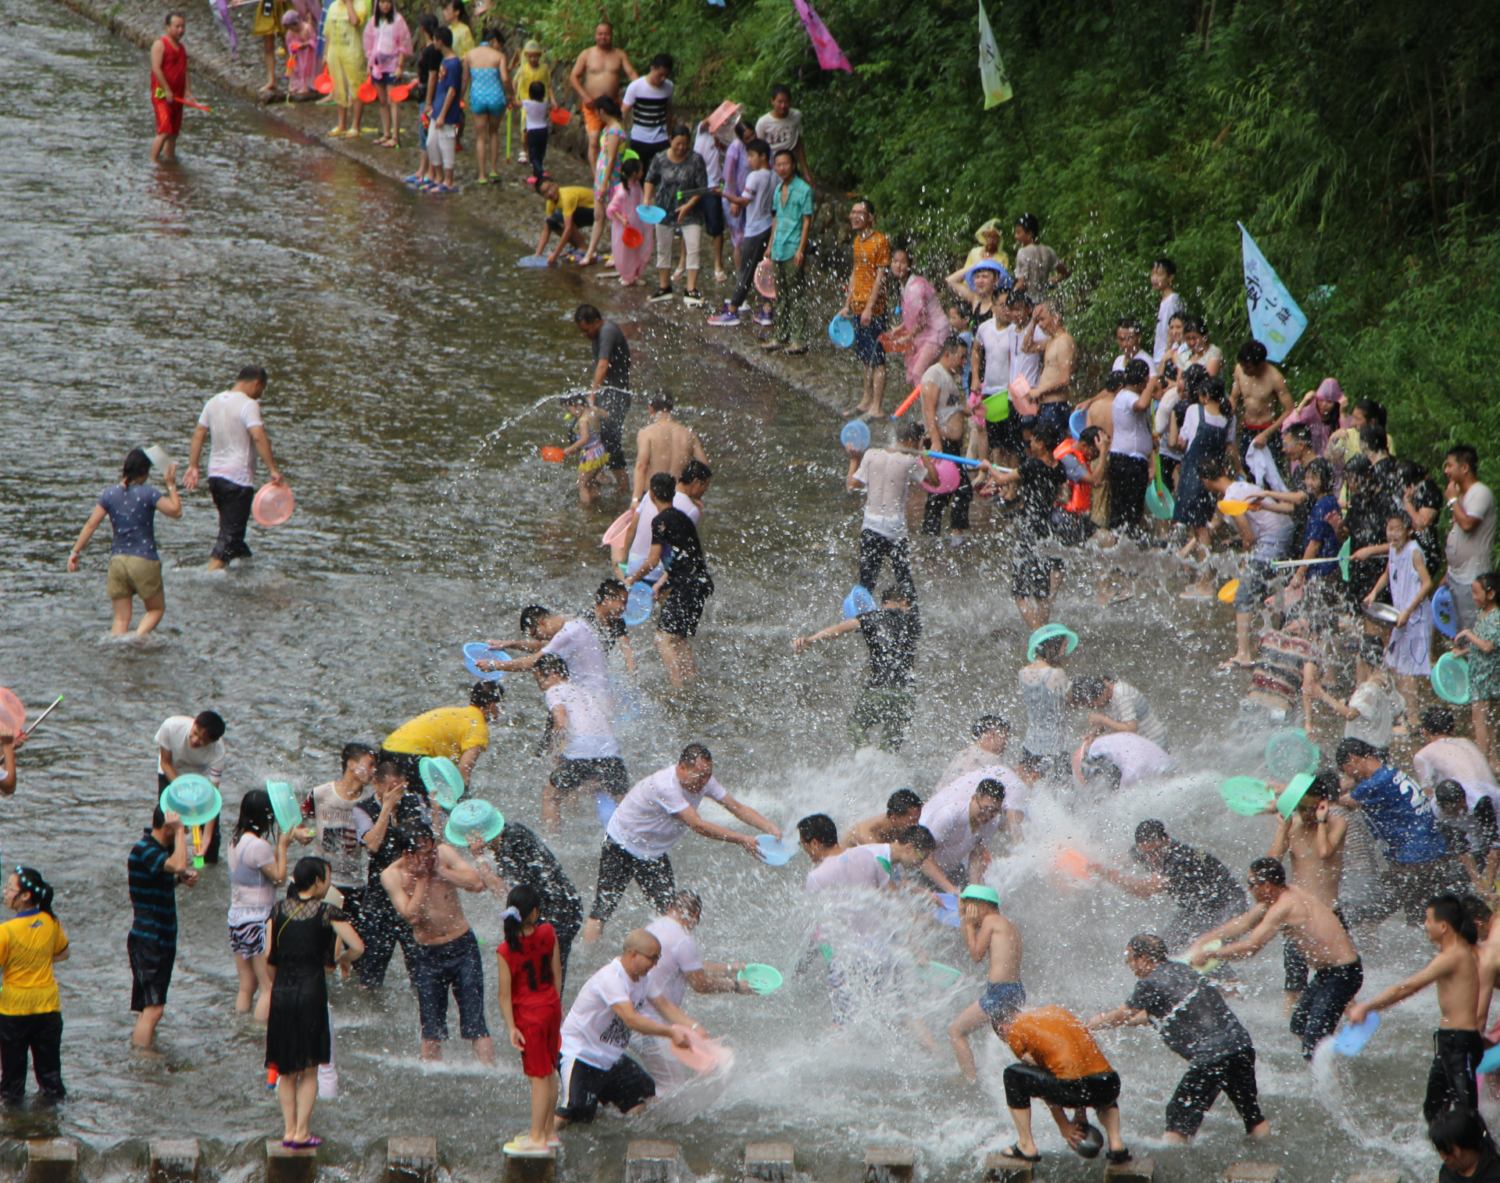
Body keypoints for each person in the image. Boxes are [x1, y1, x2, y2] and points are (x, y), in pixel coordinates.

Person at [582, 745, 779, 942]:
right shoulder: (665, 785)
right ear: (682, 767)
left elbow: (736, 807)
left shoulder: (704, 780)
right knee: (602, 909)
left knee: (670, 914)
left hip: (653, 853)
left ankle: (668, 957)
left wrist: (768, 826)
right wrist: (742, 839)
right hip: (621, 843)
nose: (703, 783)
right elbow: (697, 825)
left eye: (708, 776)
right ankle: (588, 961)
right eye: (699, 776)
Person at [1088, 933, 1268, 1143]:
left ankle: (1173, 1168)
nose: (1129, 965)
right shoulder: (1184, 970)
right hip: (1240, 1045)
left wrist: (1090, 1026)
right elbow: (1161, 1012)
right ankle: (1268, 1150)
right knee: (1251, 1114)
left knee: (1178, 1117)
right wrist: (1127, 1021)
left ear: (1143, 959)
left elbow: (1121, 1015)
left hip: (1211, 1055)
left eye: (1129, 959)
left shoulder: (1149, 983)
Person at [1186, 858, 1361, 1059]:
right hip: (1329, 973)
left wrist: (1210, 954)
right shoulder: (1284, 894)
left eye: (1251, 883)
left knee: (1313, 1046)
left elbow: (1250, 948)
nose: (1249, 889)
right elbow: (1244, 923)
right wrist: (1205, 939)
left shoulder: (1284, 907)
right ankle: (1331, 1059)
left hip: (1342, 974)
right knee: (1299, 1026)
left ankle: (1333, 1085)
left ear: (1266, 886)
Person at [1347, 894, 1482, 1120]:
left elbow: (1407, 987)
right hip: (1450, 1041)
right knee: (1433, 1110)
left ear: (1443, 925)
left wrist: (1367, 1006)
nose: (1424, 925)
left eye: (1427, 919)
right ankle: (1449, 1153)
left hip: (1459, 1042)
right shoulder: (1455, 954)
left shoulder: (1453, 955)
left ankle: (1485, 1155)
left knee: (1466, 1115)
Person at [266, 857, 364, 1148]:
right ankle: (302, 1133)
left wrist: (280, 983)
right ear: (318, 881)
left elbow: (270, 957)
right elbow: (358, 946)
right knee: (310, 1069)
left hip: (282, 992)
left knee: (285, 1069)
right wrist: (343, 959)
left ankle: (288, 1130)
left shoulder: (277, 910)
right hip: (312, 991)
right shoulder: (327, 912)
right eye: (328, 878)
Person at [555, 929, 694, 1128]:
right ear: (633, 954)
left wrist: (694, 1028)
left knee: (643, 1094)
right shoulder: (611, 978)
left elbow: (664, 1006)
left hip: (610, 1057)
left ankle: (623, 1138)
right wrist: (671, 1033)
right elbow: (631, 1019)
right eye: (653, 958)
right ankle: (538, 1140)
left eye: (658, 958)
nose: (656, 964)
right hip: (580, 1053)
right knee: (573, 1111)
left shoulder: (644, 980)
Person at [382, 825, 496, 1064]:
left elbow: (477, 884)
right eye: (425, 853)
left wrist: (442, 870)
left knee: (476, 1023)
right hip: (427, 955)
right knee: (431, 1031)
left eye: (432, 849)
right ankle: (433, 1075)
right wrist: (423, 880)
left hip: (463, 947)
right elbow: (411, 916)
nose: (431, 856)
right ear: (407, 854)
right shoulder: (391, 875)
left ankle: (488, 1073)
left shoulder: (443, 855)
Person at [635, 891, 752, 1089]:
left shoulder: (654, 927)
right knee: (672, 1088)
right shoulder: (683, 940)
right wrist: (736, 986)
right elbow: (701, 984)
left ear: (671, 907)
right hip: (651, 1025)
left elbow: (689, 965)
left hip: (634, 1016)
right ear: (695, 916)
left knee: (667, 1081)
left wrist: (728, 969)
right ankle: (639, 1113)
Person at [1335, 737, 1455, 924]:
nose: (1349, 776)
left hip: (1414, 859)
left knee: (1375, 909)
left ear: (1353, 760)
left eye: (1346, 770)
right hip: (1432, 851)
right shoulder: (1389, 772)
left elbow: (1342, 801)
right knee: (1431, 915)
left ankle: (1349, 933)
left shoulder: (1373, 784)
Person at [991, 1004, 1129, 1165]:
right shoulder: (1057, 1012)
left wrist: (1064, 1125)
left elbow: (1045, 1075)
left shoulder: (1015, 1031)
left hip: (1072, 1087)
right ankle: (1116, 1143)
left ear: (1002, 1028)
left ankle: (1026, 1145)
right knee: (1098, 1073)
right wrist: (1080, 1115)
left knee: (1013, 1074)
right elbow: (1078, 1064)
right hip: (1110, 1085)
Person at [792, 585, 921, 752]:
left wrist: (809, 640)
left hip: (879, 691)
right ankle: (885, 764)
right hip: (906, 695)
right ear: (904, 601)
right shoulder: (912, 622)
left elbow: (839, 629)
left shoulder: (870, 617)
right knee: (890, 748)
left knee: (855, 722)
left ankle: (866, 755)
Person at [68, 448, 181, 637]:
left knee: (120, 619)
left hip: (117, 562)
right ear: (144, 473)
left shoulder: (109, 494)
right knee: (156, 609)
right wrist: (171, 485)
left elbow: (91, 524)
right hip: (144, 560)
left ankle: (119, 654)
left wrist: (75, 552)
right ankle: (138, 638)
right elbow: (176, 511)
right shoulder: (149, 493)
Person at [1090, 820, 1247, 952]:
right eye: (1147, 854)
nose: (1153, 858)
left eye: (1157, 851)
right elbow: (1118, 860)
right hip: (1196, 909)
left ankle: (1228, 984)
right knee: (1167, 949)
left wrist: (1105, 873)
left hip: (1228, 906)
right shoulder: (1145, 850)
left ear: (1167, 840)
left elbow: (1146, 890)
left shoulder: (1179, 859)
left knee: (1202, 949)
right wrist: (1092, 865)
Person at [185, 366, 285, 571]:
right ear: (257, 383)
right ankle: (209, 577)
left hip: (215, 479)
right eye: (262, 390)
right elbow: (258, 436)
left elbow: (198, 433)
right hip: (238, 481)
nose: (260, 395)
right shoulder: (249, 405)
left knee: (233, 535)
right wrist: (273, 469)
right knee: (229, 537)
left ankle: (244, 569)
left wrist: (193, 466)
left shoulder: (213, 402)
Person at [466, 814, 583, 986]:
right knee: (551, 972)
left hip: (557, 914)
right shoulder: (515, 830)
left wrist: (479, 858)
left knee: (544, 978)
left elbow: (502, 892)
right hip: (568, 905)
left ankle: (551, 1006)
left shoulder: (509, 847)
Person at [1199, 459, 1294, 666]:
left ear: (1205, 481)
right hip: (1286, 531)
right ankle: (1267, 641)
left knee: (1244, 593)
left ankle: (1243, 655)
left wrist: (1244, 567)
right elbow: (1215, 523)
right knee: (1267, 591)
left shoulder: (1231, 498)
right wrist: (1190, 545)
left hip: (1272, 539)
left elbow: (1248, 537)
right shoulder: (1239, 486)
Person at [623, 472, 716, 685]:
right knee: (678, 638)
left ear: (652, 493)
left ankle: (677, 690)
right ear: (673, 493)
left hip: (686, 585)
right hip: (700, 583)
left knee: (662, 639)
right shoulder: (684, 518)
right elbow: (687, 558)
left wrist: (631, 579)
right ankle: (691, 685)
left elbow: (652, 560)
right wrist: (662, 581)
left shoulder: (660, 521)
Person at [1267, 773, 1349, 1010]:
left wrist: (1322, 821)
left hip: (1329, 912)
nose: (1306, 814)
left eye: (1312, 808)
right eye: (1301, 808)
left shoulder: (1337, 823)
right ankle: (1288, 1028)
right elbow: (1272, 864)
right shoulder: (1293, 826)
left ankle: (1349, 1027)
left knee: (1341, 978)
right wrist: (1283, 830)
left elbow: (1325, 853)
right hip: (1297, 915)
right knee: (1294, 983)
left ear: (1324, 804)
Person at [494, 883, 563, 1155]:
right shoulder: (548, 932)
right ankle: (549, 1132)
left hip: (529, 1017)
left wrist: (512, 1027)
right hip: (550, 1008)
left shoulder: (505, 950)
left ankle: (536, 1138)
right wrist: (553, 1004)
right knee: (550, 1071)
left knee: (538, 1077)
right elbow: (557, 972)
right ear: (534, 913)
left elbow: (503, 995)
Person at [350, 761, 427, 989]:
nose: (397, 793)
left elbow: (431, 842)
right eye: (391, 787)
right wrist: (386, 808)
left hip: (411, 895)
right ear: (377, 783)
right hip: (379, 898)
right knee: (371, 970)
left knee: (421, 969)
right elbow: (372, 844)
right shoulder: (362, 809)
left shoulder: (415, 802)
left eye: (400, 788)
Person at [128, 805, 198, 1050]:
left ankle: (142, 1053)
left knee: (149, 1007)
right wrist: (180, 833)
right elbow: (179, 864)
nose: (186, 831)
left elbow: (171, 873)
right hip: (150, 940)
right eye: (182, 827)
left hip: (158, 938)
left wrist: (179, 880)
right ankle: (144, 1063)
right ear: (168, 826)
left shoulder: (157, 851)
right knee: (154, 1009)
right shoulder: (145, 849)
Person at [533, 655, 628, 831]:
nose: (541, 687)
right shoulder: (585, 691)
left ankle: (554, 844)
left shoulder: (554, 690)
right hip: (612, 753)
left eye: (541, 681)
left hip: (582, 753)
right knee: (622, 803)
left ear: (553, 676)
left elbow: (561, 722)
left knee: (550, 796)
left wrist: (554, 749)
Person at [227, 788, 298, 1020]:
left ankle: (240, 1029)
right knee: (269, 986)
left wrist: (283, 841)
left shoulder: (234, 841)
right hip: (257, 921)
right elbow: (278, 878)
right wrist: (284, 847)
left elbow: (262, 867)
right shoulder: (259, 846)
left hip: (237, 918)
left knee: (246, 986)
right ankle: (259, 1034)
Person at [0, 868, 68, 1102]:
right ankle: (53, 1129)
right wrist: (37, 958)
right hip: (49, 1008)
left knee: (12, 1084)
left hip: (14, 1011)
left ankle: (14, 1131)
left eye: (9, 888)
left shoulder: (6, 931)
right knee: (51, 1078)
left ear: (25, 895)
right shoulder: (50, 921)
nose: (5, 892)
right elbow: (64, 952)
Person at [846, 419, 936, 594]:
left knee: (866, 585)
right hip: (894, 529)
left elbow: (851, 485)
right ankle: (912, 617)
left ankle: (862, 618)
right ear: (911, 442)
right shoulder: (909, 461)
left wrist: (853, 460)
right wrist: (923, 453)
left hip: (871, 526)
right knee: (905, 581)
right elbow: (935, 480)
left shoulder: (871, 455)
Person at [302, 743, 378, 944]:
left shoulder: (370, 802)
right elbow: (299, 825)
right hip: (320, 883)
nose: (374, 771)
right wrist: (305, 833)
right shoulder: (320, 794)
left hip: (354, 883)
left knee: (358, 947)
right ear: (352, 764)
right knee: (317, 946)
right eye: (370, 765)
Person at [1365, 511, 1434, 727]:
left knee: (1409, 668)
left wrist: (1408, 611)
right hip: (1401, 615)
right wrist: (1374, 593)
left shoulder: (1414, 552)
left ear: (1408, 531)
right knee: (1395, 664)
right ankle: (1405, 713)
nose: (1392, 533)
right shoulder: (1394, 550)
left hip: (1416, 617)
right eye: (1390, 528)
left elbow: (1427, 583)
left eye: (1397, 528)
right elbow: (1387, 574)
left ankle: (1412, 720)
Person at [949, 885, 1023, 1084]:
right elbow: (972, 944)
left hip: (999, 992)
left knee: (957, 1031)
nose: (971, 914)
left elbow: (975, 955)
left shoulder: (990, 920)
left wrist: (969, 923)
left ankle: (970, 1080)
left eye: (971, 908)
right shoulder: (1008, 924)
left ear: (983, 907)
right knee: (1014, 1038)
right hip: (1015, 990)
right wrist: (964, 918)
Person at [482, 604, 615, 710]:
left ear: (542, 622)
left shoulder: (567, 634)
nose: (537, 639)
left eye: (535, 634)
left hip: (591, 699)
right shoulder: (576, 624)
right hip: (602, 696)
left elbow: (533, 662)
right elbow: (545, 645)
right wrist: (511, 644)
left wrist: (493, 665)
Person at [379, 683, 502, 788]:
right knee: (431, 802)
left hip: (388, 747)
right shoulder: (478, 725)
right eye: (500, 706)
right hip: (412, 753)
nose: (501, 711)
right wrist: (463, 798)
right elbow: (464, 768)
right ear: (492, 705)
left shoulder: (456, 712)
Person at [709, 138, 775, 327]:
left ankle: (733, 311)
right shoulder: (775, 177)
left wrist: (723, 195)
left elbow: (744, 201)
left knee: (745, 271)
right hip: (769, 228)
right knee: (765, 271)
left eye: (751, 156)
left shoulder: (754, 177)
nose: (749, 160)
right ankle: (767, 311)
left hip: (754, 230)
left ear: (763, 156)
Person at [642, 124, 709, 306]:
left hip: (690, 211)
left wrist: (690, 204)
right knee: (663, 248)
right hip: (663, 210)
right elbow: (650, 180)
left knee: (694, 248)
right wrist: (647, 198)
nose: (681, 148)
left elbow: (702, 187)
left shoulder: (696, 160)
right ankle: (664, 287)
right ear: (670, 140)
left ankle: (691, 290)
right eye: (678, 144)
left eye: (685, 144)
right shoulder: (660, 158)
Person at [918, 776, 1017, 892]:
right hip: (922, 870)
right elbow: (922, 856)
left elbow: (976, 855)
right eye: (985, 808)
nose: (988, 815)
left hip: (952, 869)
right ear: (974, 799)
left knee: (977, 900)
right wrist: (952, 890)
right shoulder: (949, 816)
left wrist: (975, 890)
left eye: (994, 811)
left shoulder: (993, 822)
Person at [840, 199, 891, 418]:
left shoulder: (880, 241)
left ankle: (877, 407)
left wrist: (870, 307)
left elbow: (880, 278)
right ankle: (866, 399)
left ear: (871, 217)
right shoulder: (857, 241)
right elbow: (855, 273)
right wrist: (847, 304)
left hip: (875, 309)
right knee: (864, 357)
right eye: (852, 211)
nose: (854, 215)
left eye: (860, 212)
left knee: (877, 358)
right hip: (858, 307)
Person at [154, 710, 227, 861]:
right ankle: (167, 861)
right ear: (194, 722)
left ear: (212, 741)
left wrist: (206, 840)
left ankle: (206, 865)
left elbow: (212, 797)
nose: (195, 740)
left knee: (212, 835)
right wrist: (183, 791)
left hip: (200, 778)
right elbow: (165, 762)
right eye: (195, 732)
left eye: (202, 740)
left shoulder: (218, 751)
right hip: (171, 771)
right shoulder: (171, 726)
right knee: (168, 822)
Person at [574, 306, 632, 494]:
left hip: (616, 398)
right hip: (605, 397)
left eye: (586, 329)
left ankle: (624, 487)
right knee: (582, 431)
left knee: (610, 439)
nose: (585, 334)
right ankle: (597, 476)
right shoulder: (598, 334)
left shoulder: (607, 332)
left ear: (597, 322)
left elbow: (603, 365)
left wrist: (592, 396)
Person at [568, 21, 636, 171]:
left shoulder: (619, 54)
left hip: (612, 105)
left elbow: (631, 73)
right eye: (600, 34)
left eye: (606, 34)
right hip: (592, 105)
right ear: (595, 35)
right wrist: (585, 96)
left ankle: (613, 173)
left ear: (612, 36)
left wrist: (641, 88)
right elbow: (574, 77)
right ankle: (596, 177)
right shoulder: (587, 54)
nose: (603, 37)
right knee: (593, 141)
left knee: (616, 140)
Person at [764, 149, 813, 355]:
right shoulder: (778, 190)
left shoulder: (803, 189)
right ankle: (781, 336)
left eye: (785, 164)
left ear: (794, 165)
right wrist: (769, 244)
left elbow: (806, 220)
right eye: (778, 165)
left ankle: (799, 339)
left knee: (796, 294)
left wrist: (801, 250)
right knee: (780, 295)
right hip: (778, 248)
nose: (782, 168)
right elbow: (777, 218)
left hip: (793, 248)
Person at [1445, 445, 1496, 637]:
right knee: (1459, 635)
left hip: (1472, 580)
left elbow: (1467, 525)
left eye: (1450, 465)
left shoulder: (1480, 493)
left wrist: (1452, 500)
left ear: (1464, 467)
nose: (1446, 471)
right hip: (1455, 577)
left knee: (1472, 637)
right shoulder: (1462, 495)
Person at [629, 390, 708, 509]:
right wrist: (695, 496)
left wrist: (636, 499)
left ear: (651, 408)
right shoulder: (688, 434)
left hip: (653, 498)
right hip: (679, 498)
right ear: (671, 408)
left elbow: (641, 466)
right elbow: (705, 469)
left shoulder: (647, 433)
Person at [1017, 625, 1073, 780]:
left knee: (1032, 786)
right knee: (1061, 791)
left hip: (1031, 743)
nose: (1065, 652)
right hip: (1055, 746)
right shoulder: (1056, 673)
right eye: (1064, 646)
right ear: (1052, 647)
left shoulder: (1022, 672)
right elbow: (1070, 699)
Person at [887, 250, 949, 390]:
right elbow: (914, 315)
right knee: (931, 371)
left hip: (936, 332)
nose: (898, 266)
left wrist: (908, 337)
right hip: (927, 331)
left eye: (903, 262)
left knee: (918, 371)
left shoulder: (915, 287)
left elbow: (921, 322)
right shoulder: (904, 285)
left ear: (909, 265)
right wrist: (900, 328)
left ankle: (929, 406)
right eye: (895, 262)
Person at [1105, 359, 1154, 536]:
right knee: (1130, 511)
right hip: (1130, 462)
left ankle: (1118, 544)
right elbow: (1141, 405)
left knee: (1121, 510)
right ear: (1144, 381)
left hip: (1123, 459)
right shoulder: (1129, 397)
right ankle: (1126, 545)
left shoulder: (1121, 395)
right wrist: (1152, 384)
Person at [1457, 572, 1500, 767]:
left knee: (1480, 720)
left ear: (1490, 594)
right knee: (1489, 722)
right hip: (1480, 675)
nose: (1473, 597)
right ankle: (1493, 762)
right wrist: (1464, 651)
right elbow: (1480, 645)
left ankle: (1481, 763)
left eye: (1476, 593)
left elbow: (1488, 646)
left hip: (1486, 678)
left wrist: (1468, 634)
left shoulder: (1496, 617)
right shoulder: (1482, 613)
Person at [1230, 340, 1294, 473]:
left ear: (1260, 364)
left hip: (1268, 430)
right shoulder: (1239, 370)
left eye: (1248, 367)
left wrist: (1266, 433)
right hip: (1247, 429)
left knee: (1271, 473)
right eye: (1242, 365)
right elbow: (1234, 398)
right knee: (1246, 470)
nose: (1244, 370)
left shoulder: (1274, 378)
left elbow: (1289, 410)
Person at [581, 95, 628, 266]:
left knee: (614, 217)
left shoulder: (615, 130)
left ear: (601, 111)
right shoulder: (607, 128)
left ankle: (617, 253)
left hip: (611, 179)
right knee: (598, 216)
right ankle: (590, 251)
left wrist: (603, 183)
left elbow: (611, 158)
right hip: (601, 177)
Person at [1433, 781, 1500, 899]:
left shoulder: (1480, 801)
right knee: (1460, 876)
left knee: (1488, 851)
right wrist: (1478, 885)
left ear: (1462, 801)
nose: (1454, 815)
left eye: (1455, 809)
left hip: (1495, 814)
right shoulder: (1436, 810)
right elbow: (1461, 849)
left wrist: (1489, 886)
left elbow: (1494, 846)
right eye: (1449, 812)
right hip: (1472, 824)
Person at [1021, 302, 1076, 444]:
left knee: (1051, 451)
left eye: (1042, 319)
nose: (1040, 324)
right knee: (1042, 450)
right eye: (1038, 320)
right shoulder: (1051, 341)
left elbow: (1065, 379)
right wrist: (1032, 322)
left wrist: (1039, 391)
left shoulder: (1064, 341)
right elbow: (1026, 347)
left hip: (1055, 406)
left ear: (1056, 317)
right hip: (1046, 406)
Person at [462, 24, 510, 183]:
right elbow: (504, 79)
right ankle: (494, 170)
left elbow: (464, 80)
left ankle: (482, 175)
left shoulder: (470, 55)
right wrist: (511, 94)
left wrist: (460, 98)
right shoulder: (499, 57)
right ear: (494, 40)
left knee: (480, 138)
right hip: (496, 98)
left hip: (478, 99)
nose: (499, 47)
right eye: (499, 44)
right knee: (494, 133)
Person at [1068, 675, 1168, 749]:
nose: (1094, 707)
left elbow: (1131, 729)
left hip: (1153, 742)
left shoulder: (1121, 695)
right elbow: (1111, 718)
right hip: (1138, 745)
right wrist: (1093, 734)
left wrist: (1102, 720)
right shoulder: (1105, 698)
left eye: (1092, 704)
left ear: (1102, 692)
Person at [363, 0, 413, 148]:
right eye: (382, 2)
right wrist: (369, 64)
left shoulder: (398, 21)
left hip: (392, 64)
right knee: (383, 101)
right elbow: (370, 43)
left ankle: (396, 136)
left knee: (393, 101)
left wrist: (400, 65)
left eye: (388, 2)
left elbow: (403, 44)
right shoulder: (374, 21)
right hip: (378, 64)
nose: (385, 5)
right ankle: (386, 133)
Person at [149, 13, 195, 164]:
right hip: (162, 96)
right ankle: (153, 162)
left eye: (183, 27)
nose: (181, 30)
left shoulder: (182, 48)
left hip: (178, 97)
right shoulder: (160, 44)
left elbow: (185, 70)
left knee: (174, 134)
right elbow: (156, 68)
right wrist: (167, 90)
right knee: (164, 130)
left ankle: (169, 164)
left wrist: (188, 91)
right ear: (168, 27)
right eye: (177, 26)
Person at [422, 27, 461, 192]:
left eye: (436, 40)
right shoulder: (444, 60)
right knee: (431, 142)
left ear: (441, 42)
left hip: (447, 112)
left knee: (446, 144)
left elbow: (452, 91)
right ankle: (438, 176)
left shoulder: (454, 64)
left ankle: (449, 181)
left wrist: (443, 114)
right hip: (437, 108)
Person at [322, 0, 369, 137]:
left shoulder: (360, 4)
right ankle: (342, 124)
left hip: (352, 51)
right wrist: (325, 55)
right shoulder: (332, 6)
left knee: (356, 87)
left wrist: (349, 4)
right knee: (338, 87)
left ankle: (355, 125)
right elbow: (328, 32)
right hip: (335, 52)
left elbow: (355, 21)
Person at [622, 53, 673, 175]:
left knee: (664, 173)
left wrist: (669, 133)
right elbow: (623, 112)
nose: (663, 79)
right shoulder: (636, 87)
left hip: (661, 137)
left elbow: (668, 110)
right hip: (640, 137)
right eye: (660, 75)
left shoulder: (669, 87)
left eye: (665, 76)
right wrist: (621, 134)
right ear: (652, 69)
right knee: (639, 174)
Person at [1073, 733, 1173, 792]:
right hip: (1166, 760)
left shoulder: (1130, 775)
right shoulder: (1102, 743)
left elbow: (1121, 803)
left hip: (1161, 773)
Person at [755, 85, 811, 184]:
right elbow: (758, 149)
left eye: (786, 102)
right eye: (780, 102)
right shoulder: (763, 122)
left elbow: (798, 144)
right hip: (771, 166)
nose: (783, 105)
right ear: (772, 101)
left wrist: (806, 172)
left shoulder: (796, 116)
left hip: (790, 164)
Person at [559, 393, 608, 505]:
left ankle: (586, 508)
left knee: (582, 485)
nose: (570, 414)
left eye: (569, 410)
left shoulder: (583, 420)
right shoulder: (593, 411)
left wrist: (569, 449)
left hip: (590, 455)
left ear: (578, 405)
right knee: (592, 482)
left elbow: (584, 439)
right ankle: (597, 503)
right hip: (599, 452)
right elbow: (606, 414)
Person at [511, 39, 552, 166]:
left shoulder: (544, 70)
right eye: (530, 56)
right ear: (526, 56)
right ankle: (524, 149)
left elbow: (549, 85)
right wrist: (515, 97)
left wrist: (552, 101)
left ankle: (536, 151)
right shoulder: (523, 70)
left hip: (540, 101)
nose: (533, 59)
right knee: (525, 126)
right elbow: (515, 82)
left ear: (540, 56)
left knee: (537, 126)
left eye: (536, 56)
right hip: (526, 101)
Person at [1429, 1109, 1500, 1183]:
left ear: (1469, 1146)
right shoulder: (1452, 1166)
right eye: (1441, 1151)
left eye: (1448, 1151)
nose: (1443, 1157)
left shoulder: (1494, 1177)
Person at [534, 178, 595, 264]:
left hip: (596, 210)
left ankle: (583, 247)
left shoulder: (565, 196)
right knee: (552, 221)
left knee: (559, 215)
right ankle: (577, 246)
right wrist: (537, 255)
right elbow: (547, 229)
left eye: (550, 188)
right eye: (545, 193)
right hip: (581, 213)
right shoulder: (550, 203)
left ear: (556, 184)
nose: (550, 193)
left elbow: (568, 228)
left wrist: (555, 254)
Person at [1010, 214, 1066, 300]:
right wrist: (1049, 281)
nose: (1015, 236)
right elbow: (1066, 273)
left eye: (1018, 232)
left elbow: (1022, 284)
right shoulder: (1048, 251)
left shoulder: (1023, 252)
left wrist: (1009, 299)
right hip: (1043, 301)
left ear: (1029, 234)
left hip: (1028, 302)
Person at [846, 788, 925, 847]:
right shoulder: (870, 834)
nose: (917, 824)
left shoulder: (900, 825)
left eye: (918, 819)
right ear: (894, 819)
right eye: (913, 820)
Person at [1150, 258, 1184, 365]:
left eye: (1159, 274)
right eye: (1152, 274)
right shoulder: (1165, 300)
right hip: (1159, 356)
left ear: (1170, 277)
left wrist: (1167, 353)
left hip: (1167, 357)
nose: (1155, 278)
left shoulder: (1171, 301)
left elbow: (1174, 329)